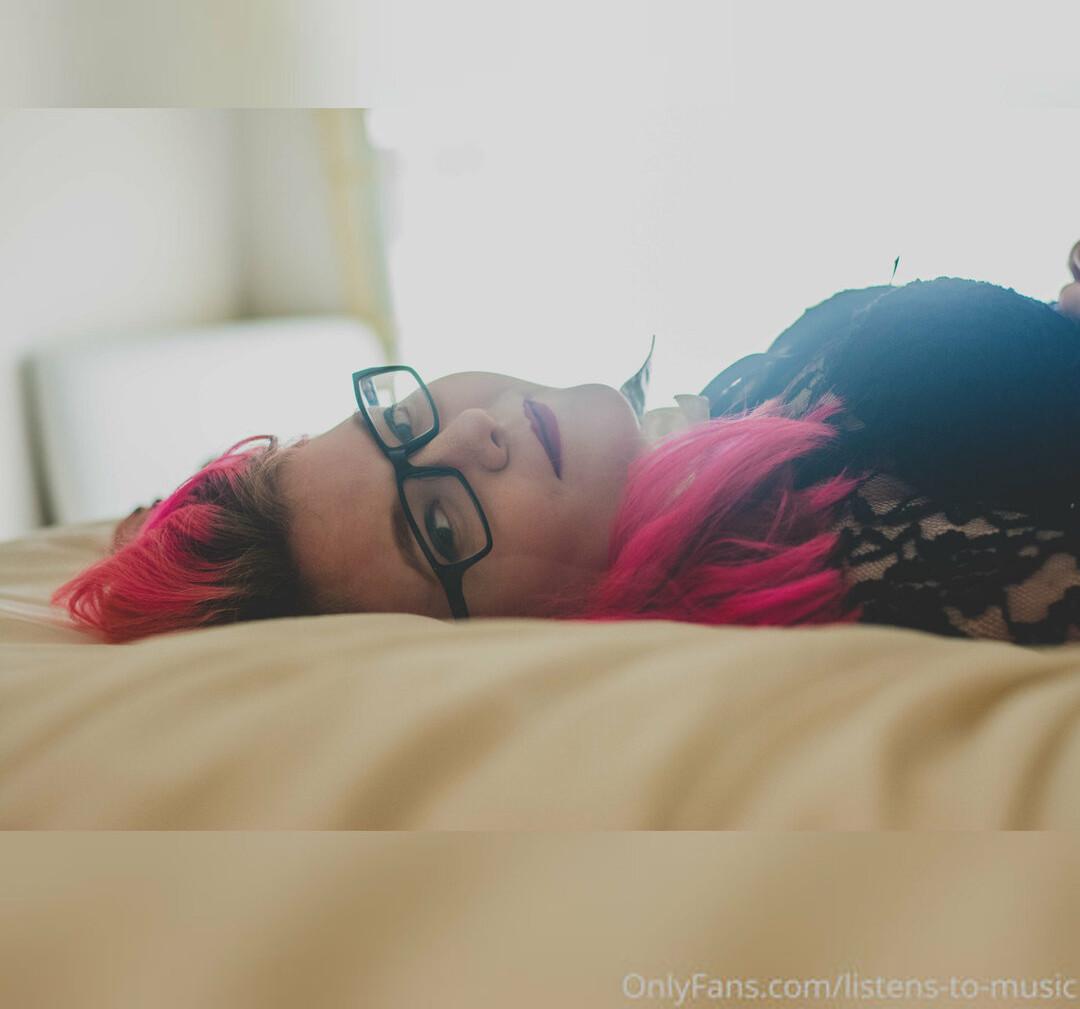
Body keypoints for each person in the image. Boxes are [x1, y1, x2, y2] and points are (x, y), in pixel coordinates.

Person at [54, 241, 1080, 645]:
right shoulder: (869, 532)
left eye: (400, 421)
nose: (471, 430)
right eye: (440, 523)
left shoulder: (735, 414)